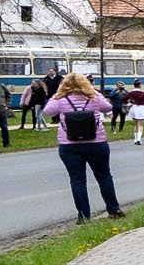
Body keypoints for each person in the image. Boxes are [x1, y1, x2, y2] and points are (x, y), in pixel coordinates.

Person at [42, 72, 123, 223]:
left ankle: (84, 216)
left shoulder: (60, 99)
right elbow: (107, 108)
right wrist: (95, 93)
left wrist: (56, 95)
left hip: (69, 144)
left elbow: (47, 111)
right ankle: (114, 210)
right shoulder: (94, 97)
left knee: (77, 180)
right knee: (104, 176)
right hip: (96, 142)